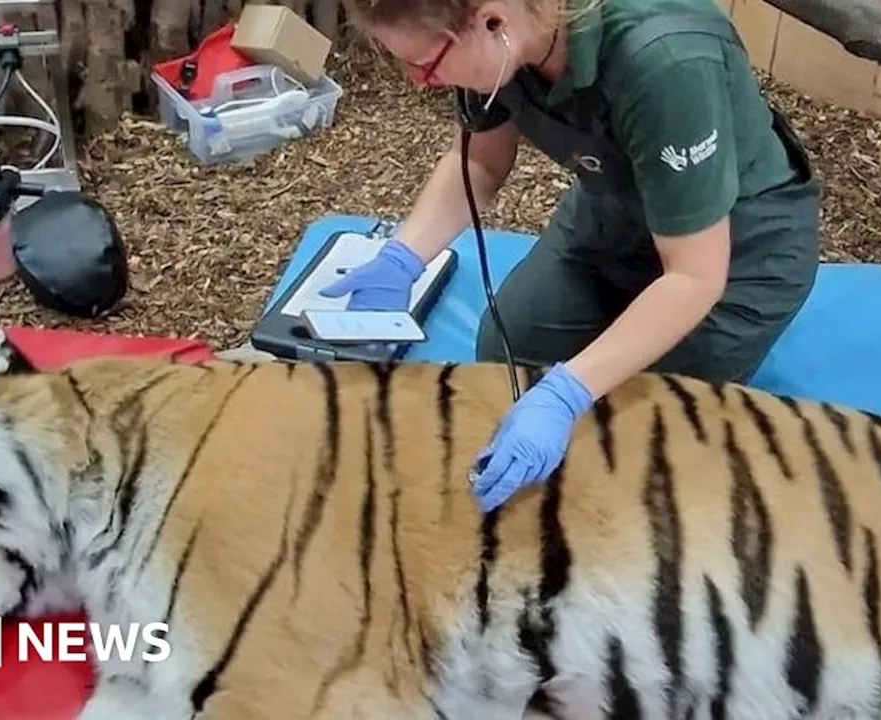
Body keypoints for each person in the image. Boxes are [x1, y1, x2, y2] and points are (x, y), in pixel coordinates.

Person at [322, 0, 823, 512]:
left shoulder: (666, 60)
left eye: (424, 65)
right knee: (508, 349)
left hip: (740, 249)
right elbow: (478, 159)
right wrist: (404, 257)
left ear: (493, 20)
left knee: (625, 431)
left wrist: (568, 394)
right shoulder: (501, 41)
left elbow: (694, 276)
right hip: (615, 212)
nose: (416, 81)